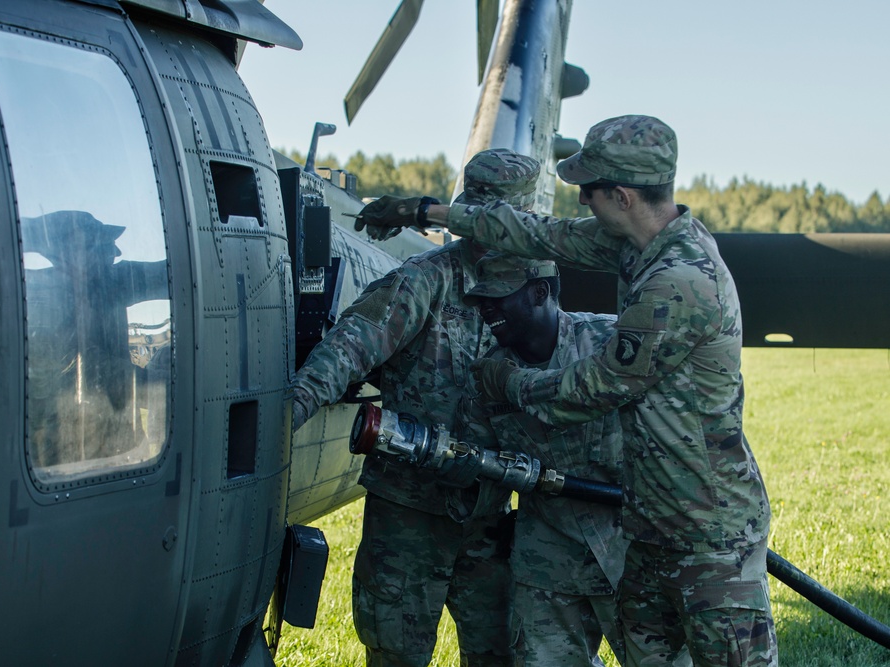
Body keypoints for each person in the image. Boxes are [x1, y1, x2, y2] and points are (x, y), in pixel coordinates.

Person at [354, 115, 778, 666]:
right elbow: (537, 233)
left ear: (621, 196)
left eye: (587, 191)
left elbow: (597, 385)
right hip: (650, 521)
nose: (581, 202)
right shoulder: (639, 245)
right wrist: (424, 212)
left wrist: (511, 383)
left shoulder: (680, 281)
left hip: (708, 531)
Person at [291, 149, 541, 666]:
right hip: (410, 514)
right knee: (396, 652)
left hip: (492, 514)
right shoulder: (425, 280)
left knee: (506, 651)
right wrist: (288, 412)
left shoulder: (539, 294)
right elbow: (350, 347)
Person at [459, 252, 627, 666]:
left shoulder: (609, 343)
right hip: (548, 557)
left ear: (540, 291)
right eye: (481, 300)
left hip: (632, 544)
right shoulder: (487, 378)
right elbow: (483, 472)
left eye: (497, 296)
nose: (486, 308)